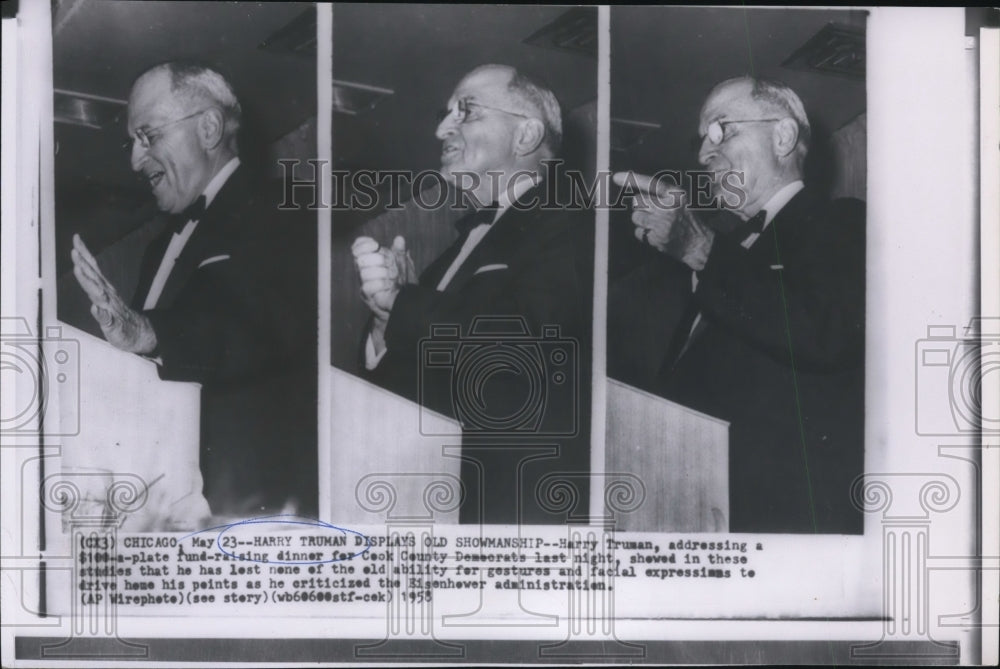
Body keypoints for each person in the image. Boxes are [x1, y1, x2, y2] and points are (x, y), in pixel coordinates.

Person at [613, 76, 865, 534]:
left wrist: (701, 250)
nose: (703, 154)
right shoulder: (726, 251)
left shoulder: (841, 222)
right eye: (700, 140)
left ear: (783, 137)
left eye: (721, 130)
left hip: (789, 519)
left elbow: (825, 334)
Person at [71, 62, 317, 520]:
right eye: (133, 142)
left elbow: (248, 326)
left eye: (149, 136)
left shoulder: (278, 210)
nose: (135, 160)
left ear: (208, 128)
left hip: (248, 509)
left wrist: (146, 332)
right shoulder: (158, 249)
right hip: (164, 509)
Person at [352, 64, 594, 525]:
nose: (442, 128)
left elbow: (527, 343)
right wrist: (386, 323)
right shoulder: (457, 249)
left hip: (512, 513)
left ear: (526, 135)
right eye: (446, 114)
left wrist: (405, 303)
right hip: (431, 503)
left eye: (465, 112)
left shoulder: (573, 222)